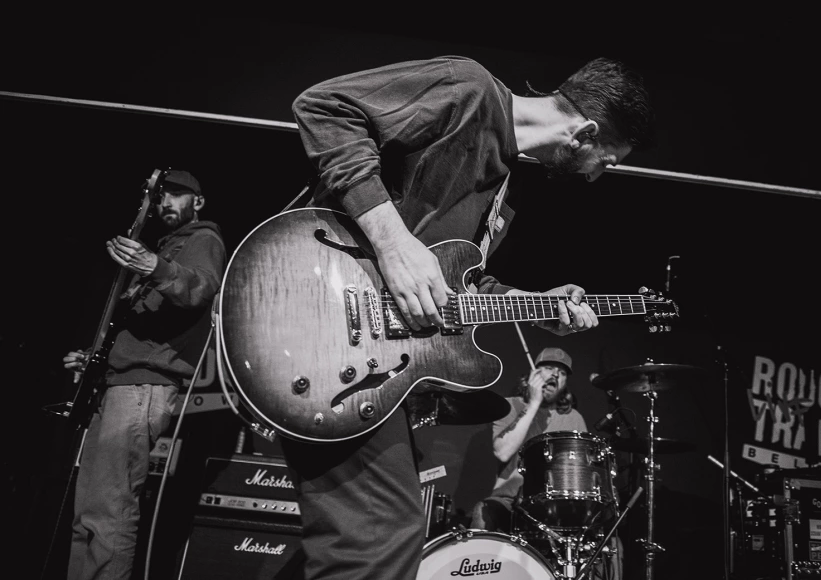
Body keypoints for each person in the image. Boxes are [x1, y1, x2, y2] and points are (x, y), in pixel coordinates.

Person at [287, 54, 655, 579]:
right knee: (377, 536)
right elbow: (322, 107)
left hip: (371, 364)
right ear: (585, 134)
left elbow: (454, 281)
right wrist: (393, 243)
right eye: (609, 161)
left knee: (381, 534)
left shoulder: (510, 184)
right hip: (320, 316)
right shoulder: (470, 88)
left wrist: (537, 305)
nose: (599, 177)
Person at [62, 170, 226, 580]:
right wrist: (94, 357)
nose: (164, 202)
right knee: (88, 514)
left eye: (175, 195)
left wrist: (157, 267)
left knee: (109, 512)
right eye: (159, 196)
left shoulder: (202, 239)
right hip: (120, 382)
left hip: (142, 387)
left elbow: (200, 289)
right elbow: (138, 328)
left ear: (197, 202)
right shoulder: (165, 246)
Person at [471, 348, 622, 579]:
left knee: (613, 541)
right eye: (549, 368)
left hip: (558, 505)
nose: (554, 375)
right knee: (482, 513)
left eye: (562, 372)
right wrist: (533, 405)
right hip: (510, 500)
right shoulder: (508, 405)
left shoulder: (573, 418)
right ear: (533, 373)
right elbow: (502, 452)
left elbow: (580, 472)